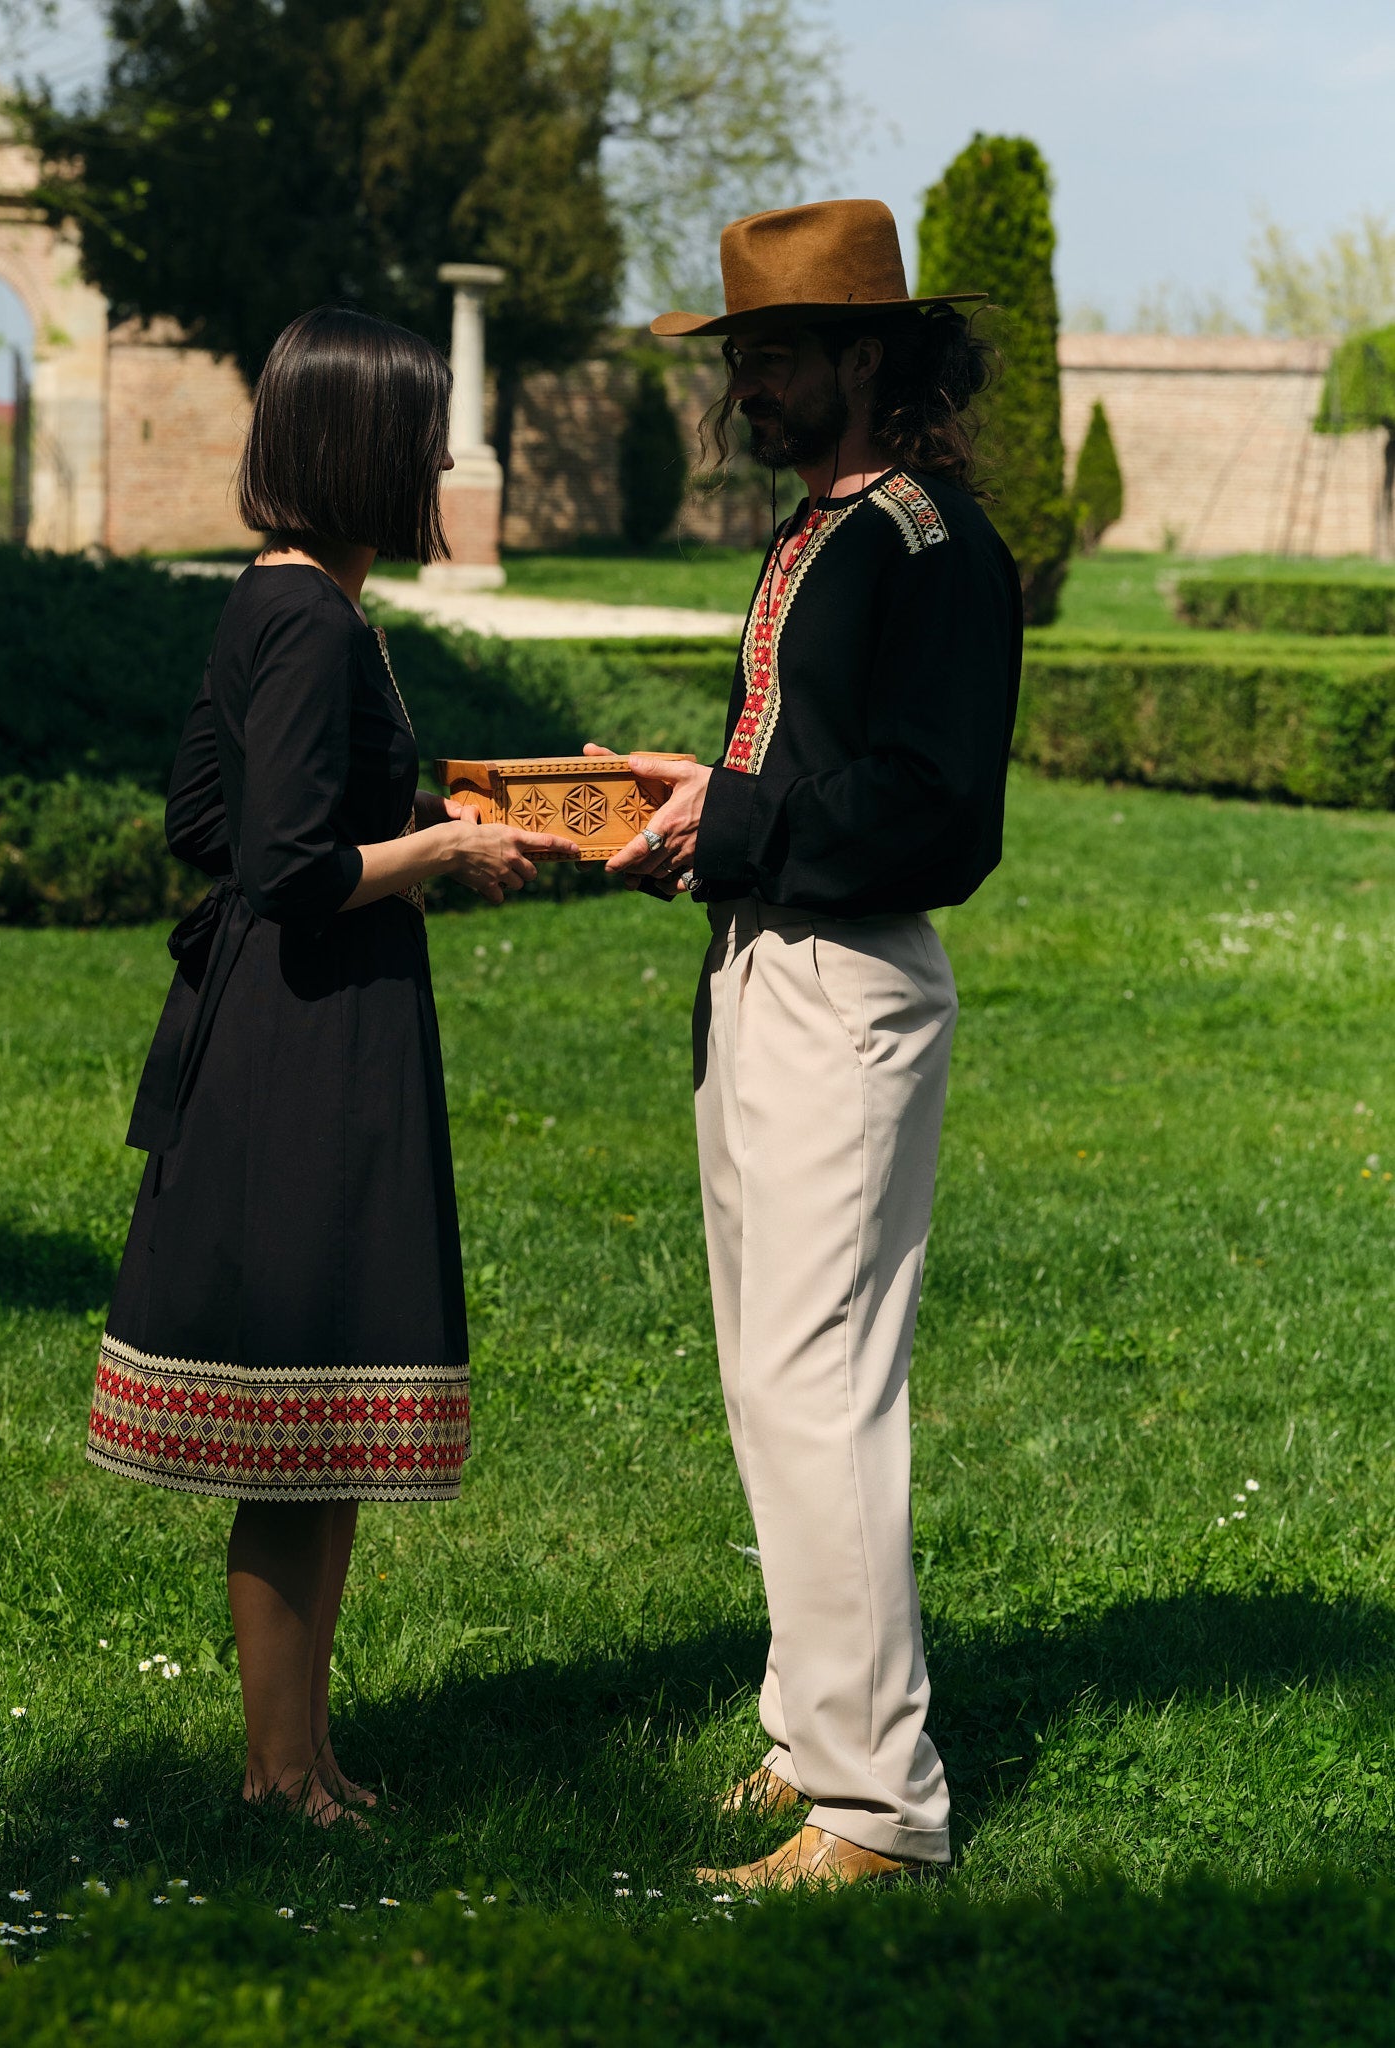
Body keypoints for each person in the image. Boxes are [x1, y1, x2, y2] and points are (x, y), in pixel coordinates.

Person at [85, 306, 577, 1826]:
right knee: (299, 1417)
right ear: (364, 447)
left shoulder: (274, 597)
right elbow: (290, 866)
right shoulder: (313, 619)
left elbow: (205, 814)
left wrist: (435, 818)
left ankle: (303, 1759)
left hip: (287, 1016)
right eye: (425, 435)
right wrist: (442, 850)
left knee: (317, 1428)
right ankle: (277, 1772)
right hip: (311, 1039)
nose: (440, 461)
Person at [597, 199, 1022, 1887]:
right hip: (759, 967)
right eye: (740, 356)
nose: (748, 386)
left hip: (847, 984)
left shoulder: (930, 545)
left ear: (867, 354)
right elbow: (801, 777)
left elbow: (938, 816)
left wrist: (741, 820)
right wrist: (693, 812)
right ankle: (809, 1735)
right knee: (772, 1382)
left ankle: (877, 1810)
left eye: (775, 355)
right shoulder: (816, 532)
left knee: (818, 1383)